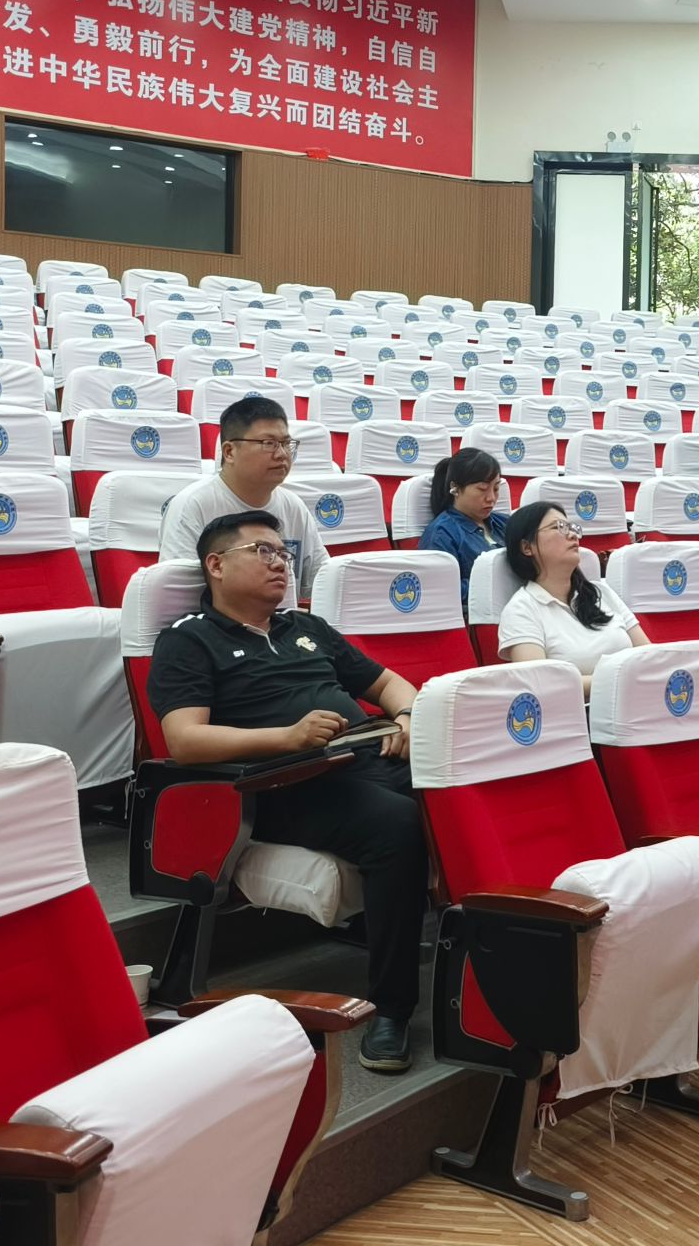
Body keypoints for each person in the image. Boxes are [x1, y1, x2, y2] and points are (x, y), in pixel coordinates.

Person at [145, 510, 426, 1072]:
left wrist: (408, 716)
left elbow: (389, 684)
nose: (281, 563)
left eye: (284, 553)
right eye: (264, 552)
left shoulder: (307, 628)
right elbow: (185, 740)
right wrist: (288, 738)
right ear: (216, 565)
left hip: (364, 757)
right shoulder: (188, 640)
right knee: (396, 823)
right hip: (280, 785)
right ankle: (392, 1009)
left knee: (463, 785)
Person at [160, 395, 328, 597]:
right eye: (269, 443)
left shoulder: (294, 506)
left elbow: (321, 586)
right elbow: (178, 597)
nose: (282, 454)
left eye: (286, 443)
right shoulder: (191, 506)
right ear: (229, 452)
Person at [497, 500, 650, 689]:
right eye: (558, 527)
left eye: (571, 528)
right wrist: (618, 681)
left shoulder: (602, 592)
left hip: (636, 696)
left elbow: (648, 655)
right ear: (527, 547)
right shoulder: (521, 610)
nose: (572, 535)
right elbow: (539, 683)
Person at [418, 449, 507, 605]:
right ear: (455, 488)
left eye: (496, 488)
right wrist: (502, 583)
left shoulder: (506, 523)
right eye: (482, 489)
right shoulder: (441, 534)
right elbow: (442, 591)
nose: (491, 498)